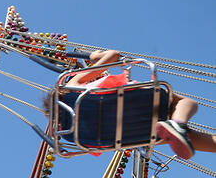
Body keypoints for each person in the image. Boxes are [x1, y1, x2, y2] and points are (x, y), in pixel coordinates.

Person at [49, 49, 216, 159]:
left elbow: (98, 147)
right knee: (185, 102)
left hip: (135, 133)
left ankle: (177, 130)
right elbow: (113, 55)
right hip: (139, 101)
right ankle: (178, 124)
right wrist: (95, 57)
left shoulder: (72, 134)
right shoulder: (73, 86)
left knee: (182, 137)